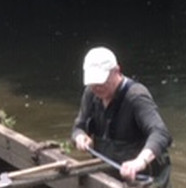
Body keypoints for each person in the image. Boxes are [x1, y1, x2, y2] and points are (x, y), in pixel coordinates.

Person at [72, 47, 172, 187]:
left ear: (117, 71)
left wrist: (139, 162)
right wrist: (80, 137)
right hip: (108, 173)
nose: (97, 88)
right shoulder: (91, 94)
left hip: (145, 177)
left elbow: (160, 133)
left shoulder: (136, 96)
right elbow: (78, 127)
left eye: (102, 82)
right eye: (93, 83)